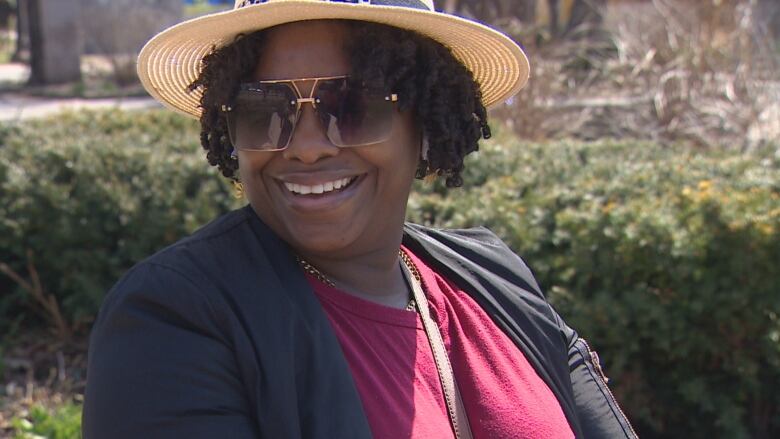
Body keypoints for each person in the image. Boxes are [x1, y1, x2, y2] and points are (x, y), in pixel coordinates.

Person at [82, 1, 637, 438]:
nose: (305, 147)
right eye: (263, 110)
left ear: (423, 123)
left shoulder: (497, 281)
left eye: (351, 106)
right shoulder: (175, 319)